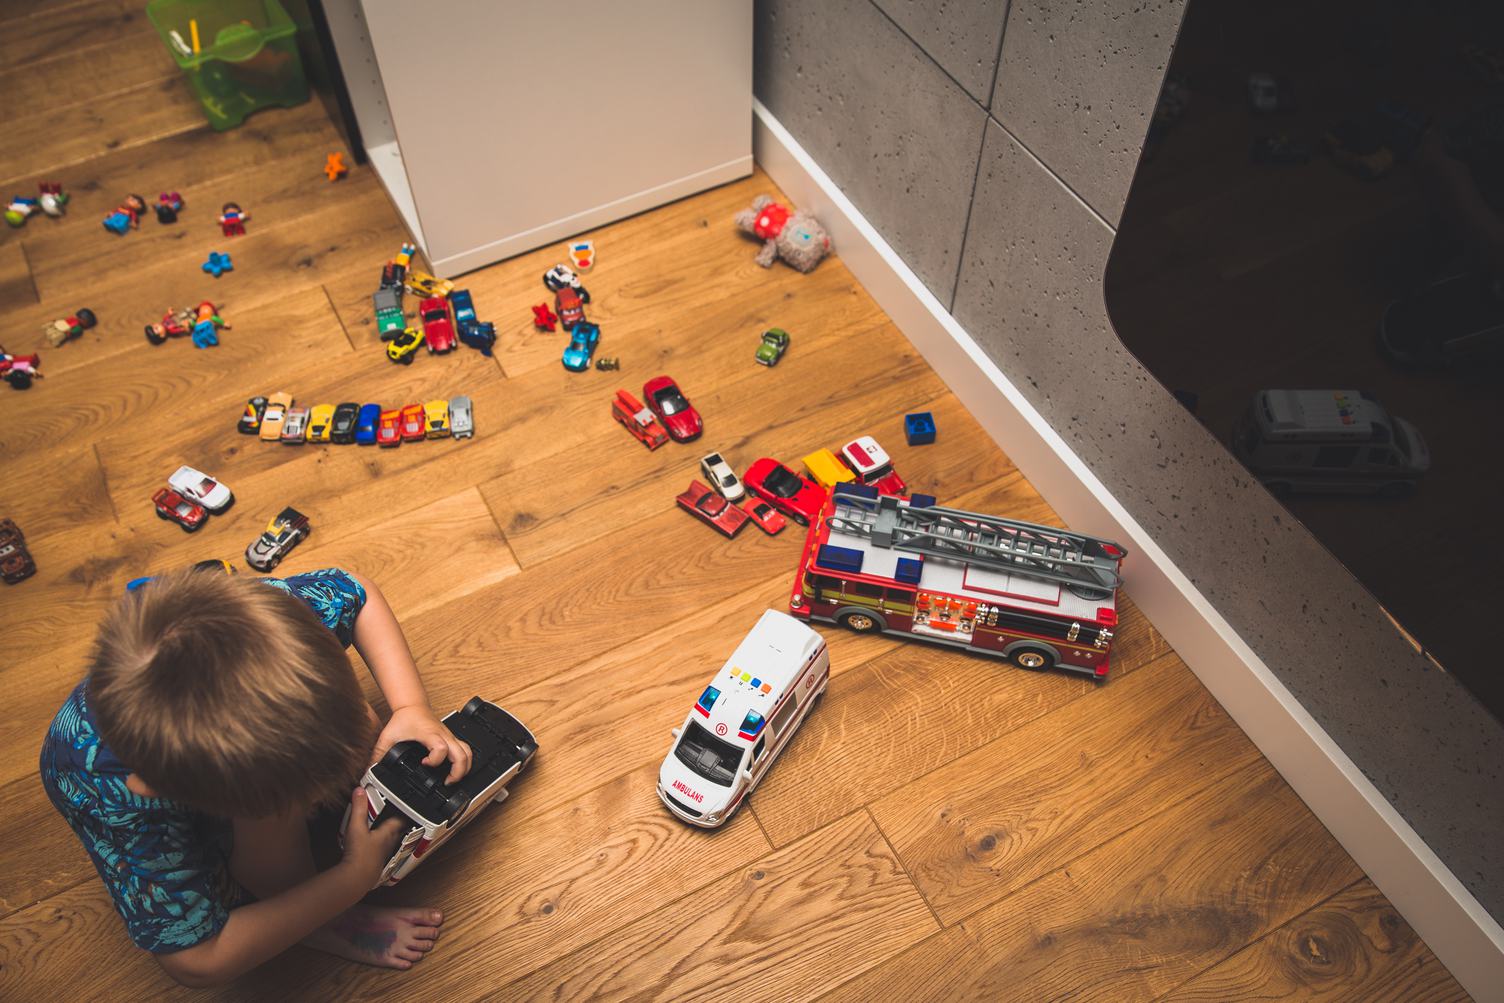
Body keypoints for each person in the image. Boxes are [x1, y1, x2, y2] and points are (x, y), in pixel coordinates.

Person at [39, 566, 474, 987]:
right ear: (157, 790)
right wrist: (350, 880)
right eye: (302, 798)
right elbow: (198, 962)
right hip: (146, 796)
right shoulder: (119, 801)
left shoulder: (275, 610)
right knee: (267, 835)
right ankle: (315, 920)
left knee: (354, 727)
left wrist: (409, 707)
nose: (321, 799)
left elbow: (357, 591)